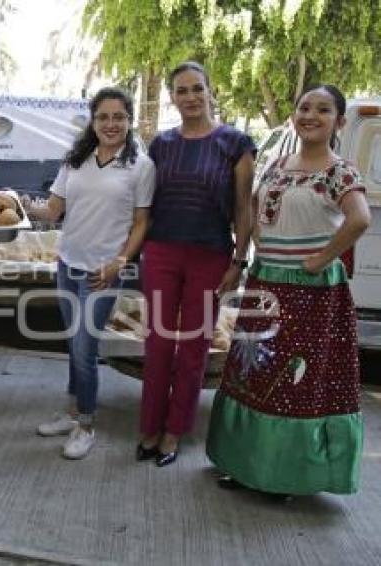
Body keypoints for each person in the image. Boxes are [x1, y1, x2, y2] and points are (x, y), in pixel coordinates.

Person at [207, 85, 370, 496]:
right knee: (252, 372)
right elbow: (256, 207)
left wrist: (322, 257)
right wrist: (258, 244)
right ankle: (243, 465)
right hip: (266, 284)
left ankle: (284, 475)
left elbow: (360, 219)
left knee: (292, 382)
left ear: (340, 121)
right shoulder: (278, 164)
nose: (310, 115)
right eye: (304, 108)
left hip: (310, 294)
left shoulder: (339, 172)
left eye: (323, 109)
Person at [25, 87, 155, 460]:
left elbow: (142, 222)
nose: (111, 124)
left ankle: (86, 423)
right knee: (73, 342)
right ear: (93, 121)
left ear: (129, 122)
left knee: (85, 348)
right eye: (103, 117)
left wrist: (120, 261)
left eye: (119, 117)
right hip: (68, 264)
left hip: (103, 271)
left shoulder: (141, 166)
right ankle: (70, 414)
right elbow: (53, 210)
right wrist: (21, 207)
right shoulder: (76, 160)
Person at [138, 61, 256, 467]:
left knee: (192, 347)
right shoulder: (161, 145)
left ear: (210, 91)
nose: (189, 97)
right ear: (172, 97)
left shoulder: (235, 143)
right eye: (181, 90)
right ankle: (149, 426)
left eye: (196, 88)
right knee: (156, 344)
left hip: (210, 255)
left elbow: (244, 208)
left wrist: (239, 261)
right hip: (162, 252)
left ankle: (174, 432)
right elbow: (147, 206)